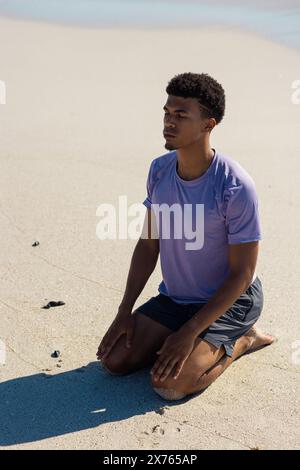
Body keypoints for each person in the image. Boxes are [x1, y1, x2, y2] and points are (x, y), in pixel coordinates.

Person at [97, 72, 274, 401]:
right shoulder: (160, 171)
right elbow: (149, 244)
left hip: (231, 301)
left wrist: (189, 332)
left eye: (181, 115)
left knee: (170, 387)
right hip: (177, 299)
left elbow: (243, 273)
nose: (169, 122)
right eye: (167, 113)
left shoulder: (235, 186)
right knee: (114, 361)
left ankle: (242, 340)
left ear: (209, 124)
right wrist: (124, 311)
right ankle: (186, 341)